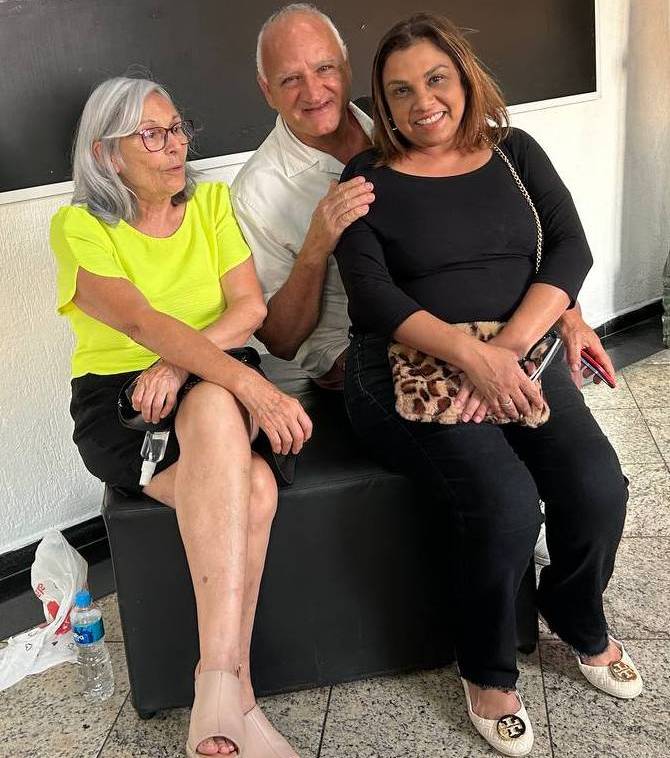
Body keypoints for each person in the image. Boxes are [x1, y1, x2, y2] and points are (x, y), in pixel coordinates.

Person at [333, 14, 642, 756]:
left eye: (436, 79)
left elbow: (569, 249)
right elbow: (371, 294)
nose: (422, 102)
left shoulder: (515, 152)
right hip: (406, 369)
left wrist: (503, 351)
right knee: (505, 503)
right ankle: (487, 667)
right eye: (399, 90)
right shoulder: (366, 178)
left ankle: (576, 613)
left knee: (598, 485)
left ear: (465, 78)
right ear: (383, 102)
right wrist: (470, 359)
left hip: (518, 353)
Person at [51, 77, 311, 758]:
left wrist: (182, 365)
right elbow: (139, 321)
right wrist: (252, 387)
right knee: (255, 488)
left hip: (209, 377)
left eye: (177, 128)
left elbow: (249, 307)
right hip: (123, 401)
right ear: (107, 154)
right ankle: (239, 699)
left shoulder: (212, 204)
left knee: (216, 400)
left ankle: (213, 680)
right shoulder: (79, 226)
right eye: (152, 134)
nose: (176, 145)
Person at [231, 2, 614, 395]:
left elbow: (521, 228)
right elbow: (281, 341)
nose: (313, 91)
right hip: (364, 353)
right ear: (266, 90)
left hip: (478, 330)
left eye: (324, 68)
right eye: (290, 79)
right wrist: (316, 247)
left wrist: (567, 315)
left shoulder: (405, 118)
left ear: (346, 67)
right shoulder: (256, 191)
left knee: (554, 414)